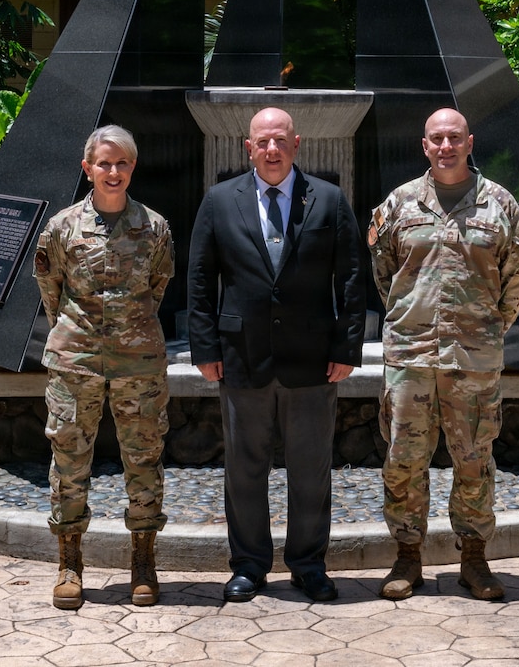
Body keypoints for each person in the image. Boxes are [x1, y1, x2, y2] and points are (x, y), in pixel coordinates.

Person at [187, 106, 366, 603]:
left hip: (312, 360)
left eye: (280, 140)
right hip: (241, 356)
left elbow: (351, 278)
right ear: (249, 147)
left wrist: (347, 346)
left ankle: (308, 564)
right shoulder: (221, 200)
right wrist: (204, 347)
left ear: (296, 143)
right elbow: (200, 280)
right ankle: (249, 564)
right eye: (262, 141)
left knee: (311, 469)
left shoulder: (328, 200)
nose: (271, 149)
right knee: (245, 469)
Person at [367, 107, 519, 601]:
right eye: (437, 139)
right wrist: (408, 317)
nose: (445, 146)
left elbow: (518, 274)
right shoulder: (398, 205)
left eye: (454, 138)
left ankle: (474, 560)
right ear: (425, 146)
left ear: (469, 142)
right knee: (403, 458)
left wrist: (489, 327)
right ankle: (407, 557)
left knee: (474, 459)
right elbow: (385, 273)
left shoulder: (499, 205)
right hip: (411, 357)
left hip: (473, 360)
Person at [33, 124, 175, 610]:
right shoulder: (60, 228)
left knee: (144, 459)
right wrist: (80, 336)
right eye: (104, 163)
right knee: (70, 463)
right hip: (76, 364)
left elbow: (158, 288)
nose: (113, 172)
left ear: (132, 168)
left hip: (140, 365)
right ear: (87, 168)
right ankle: (69, 563)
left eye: (122, 164)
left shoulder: (155, 228)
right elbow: (51, 291)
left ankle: (143, 561)